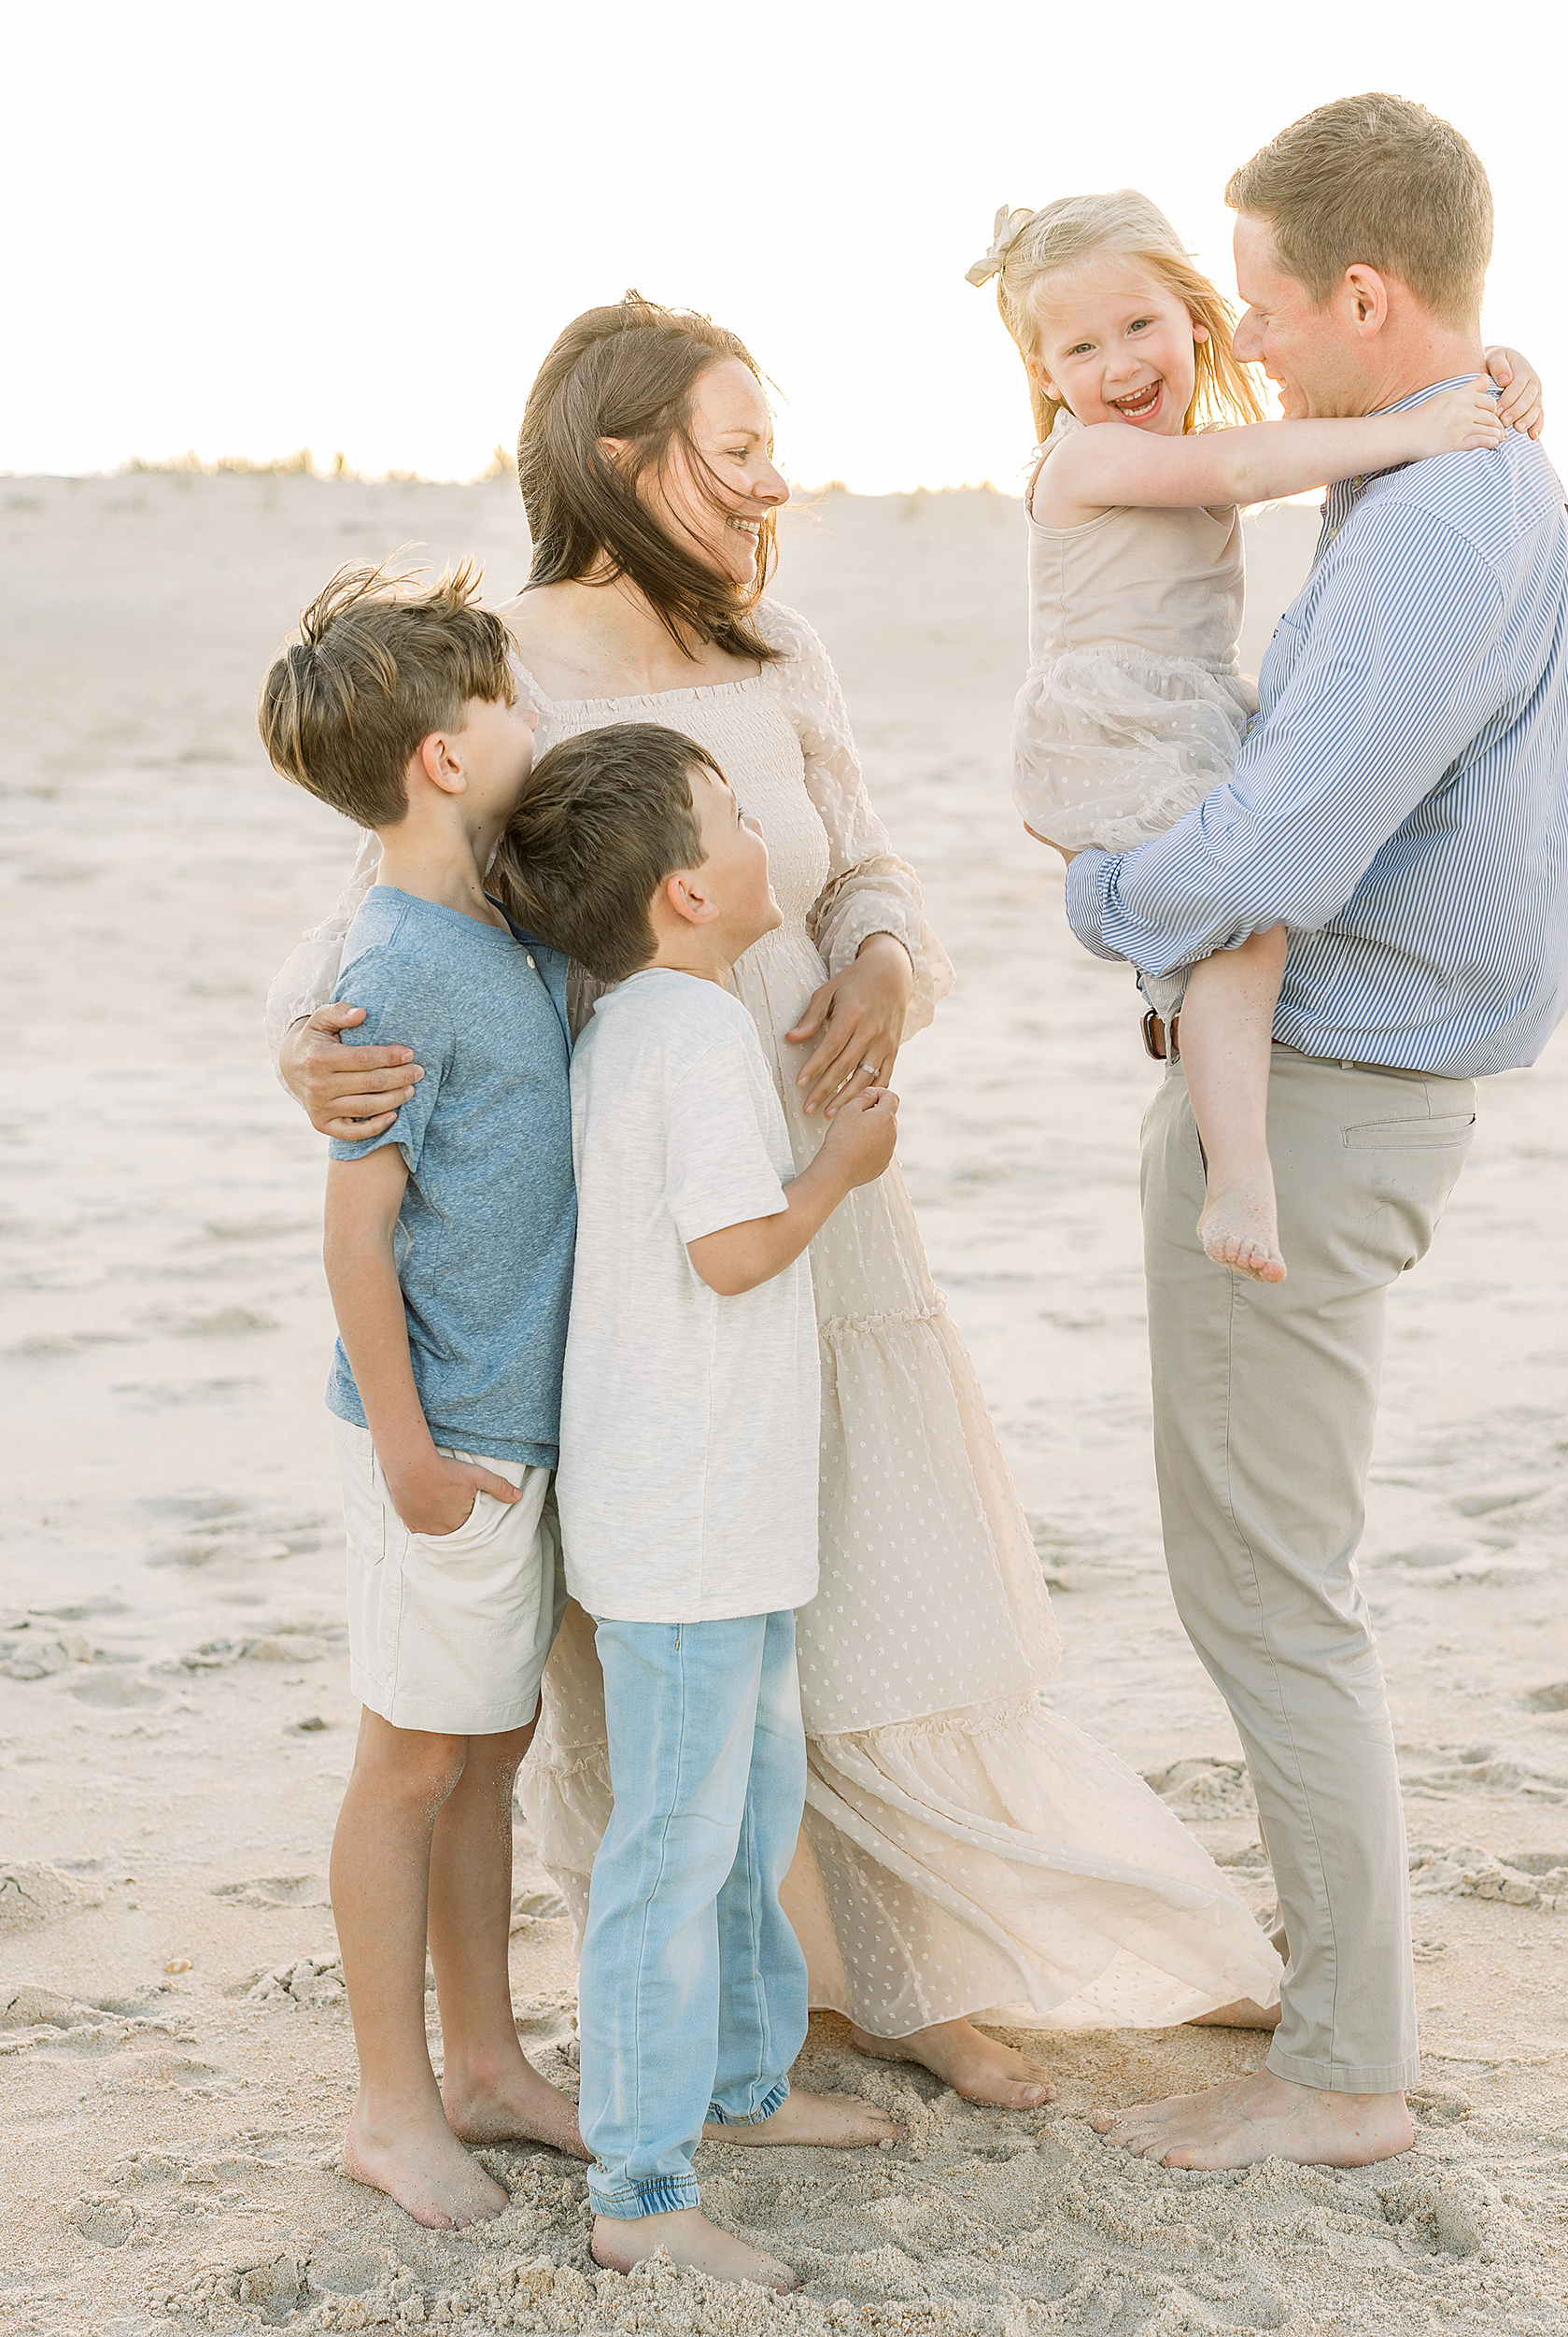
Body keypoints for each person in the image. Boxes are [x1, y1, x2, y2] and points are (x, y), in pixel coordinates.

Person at [268, 294, 1287, 2117]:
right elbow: (373, 928)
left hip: (831, 1182)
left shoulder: (781, 645)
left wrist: (884, 971)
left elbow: (872, 868)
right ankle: (793, 1996)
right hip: (644, 1211)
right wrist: (310, 1060)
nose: (772, 483)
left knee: (870, 1592)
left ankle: (914, 1968)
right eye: (736, 451)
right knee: (692, 1611)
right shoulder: (500, 668)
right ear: (619, 455)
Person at [1042, 94, 1568, 2172]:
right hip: (1360, 1082)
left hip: (1324, 1091)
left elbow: (1281, 834)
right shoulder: (1478, 466)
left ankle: (1345, 2067)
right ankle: (1335, 2016)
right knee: (1283, 1578)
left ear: (1367, 292)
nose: (1251, 343)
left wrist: (1097, 897)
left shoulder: (1441, 522)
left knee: (1272, 1592)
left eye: (1272, 304)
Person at [495, 722, 900, 2288]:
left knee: (748, 1813)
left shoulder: (652, 1021)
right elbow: (734, 1250)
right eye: (737, 819)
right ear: (683, 891)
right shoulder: (686, 1032)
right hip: (684, 1526)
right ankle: (643, 2195)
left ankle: (741, 2086)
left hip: (716, 1512)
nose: (761, 840)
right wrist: (844, 1166)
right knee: (674, 1851)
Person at [968, 190, 1535, 1278]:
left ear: (1195, 321)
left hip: (1178, 703)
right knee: (1245, 919)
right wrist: (1420, 429)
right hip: (1114, 721)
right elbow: (1245, 470)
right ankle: (1238, 1175)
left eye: (1139, 325)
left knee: (1244, 918)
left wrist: (1489, 373)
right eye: (1080, 346)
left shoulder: (1192, 436)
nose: (1119, 361)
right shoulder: (1085, 459)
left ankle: (1228, 1126)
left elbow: (1288, 418)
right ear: (1046, 378)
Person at [255, 566, 585, 2230]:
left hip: (510, 1432)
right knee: (406, 1766)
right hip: (443, 1440)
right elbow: (356, 1220)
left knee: (491, 1751)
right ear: (448, 756)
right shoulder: (391, 966)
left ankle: (489, 2065)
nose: (532, 725)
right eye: (508, 702)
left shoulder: (494, 927)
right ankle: (392, 2107)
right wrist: (405, 1450)